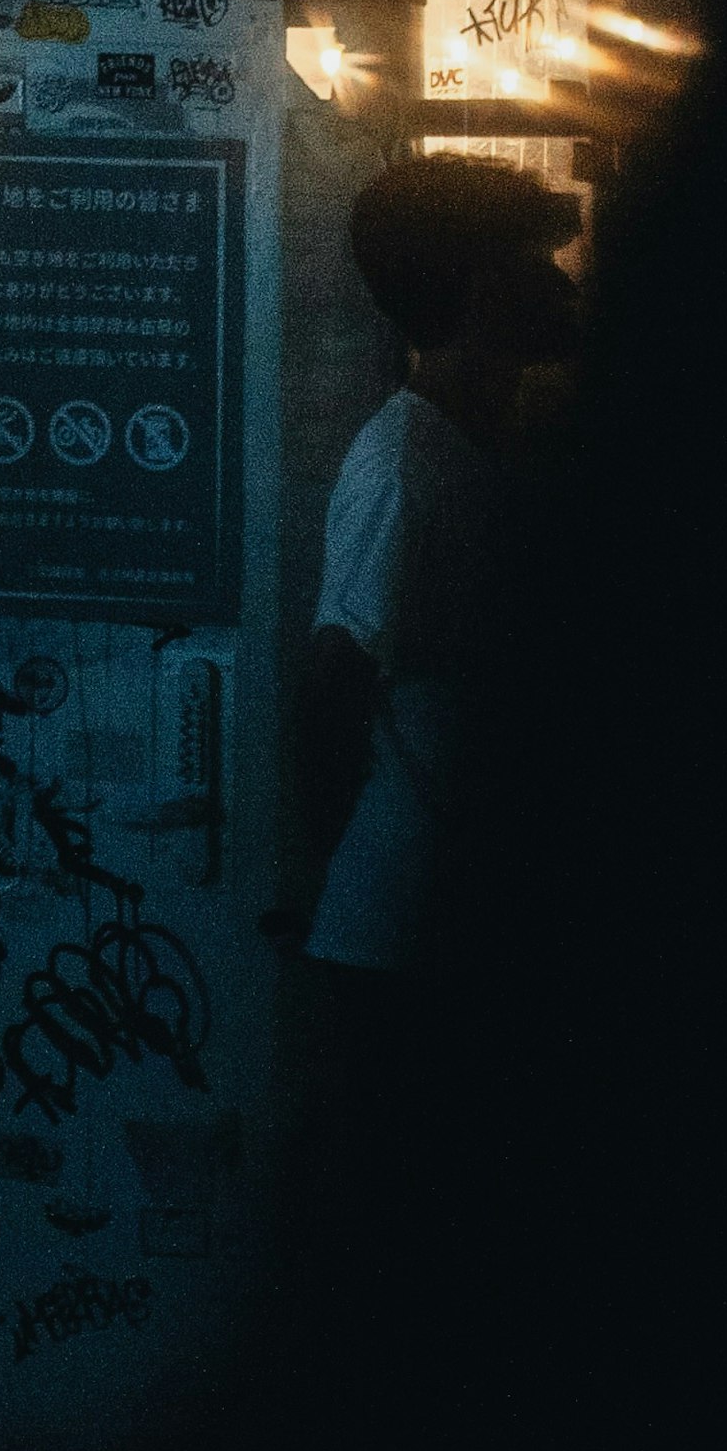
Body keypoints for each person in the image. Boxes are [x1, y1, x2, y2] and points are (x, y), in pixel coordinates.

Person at [296, 154, 580, 989]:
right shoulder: (401, 465)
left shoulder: (488, 444)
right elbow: (331, 690)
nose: (564, 286)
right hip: (396, 935)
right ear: (482, 287)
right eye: (537, 263)